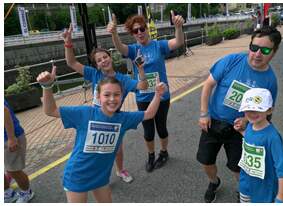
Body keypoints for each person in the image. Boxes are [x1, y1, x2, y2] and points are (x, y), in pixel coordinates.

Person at [36, 66, 166, 202]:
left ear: (122, 96)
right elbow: (50, 110)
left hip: (101, 176)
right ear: (98, 96)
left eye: (117, 94)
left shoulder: (123, 119)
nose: (112, 99)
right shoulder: (84, 113)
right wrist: (47, 87)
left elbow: (149, 114)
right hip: (77, 175)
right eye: (107, 94)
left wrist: (157, 95)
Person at [197, 26, 281, 203]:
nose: (257, 54)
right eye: (254, 47)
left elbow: (267, 111)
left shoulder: (270, 81)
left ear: (274, 52)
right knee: (206, 161)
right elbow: (207, 85)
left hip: (241, 130)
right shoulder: (231, 61)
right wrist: (204, 114)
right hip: (213, 121)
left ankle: (243, 191)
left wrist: (247, 121)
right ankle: (214, 182)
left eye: (265, 50)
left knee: (239, 167)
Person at [62, 24, 149, 183]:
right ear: (96, 65)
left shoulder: (122, 79)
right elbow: (72, 63)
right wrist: (68, 42)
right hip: (93, 119)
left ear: (110, 57)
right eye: (99, 60)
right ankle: (99, 176)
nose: (103, 61)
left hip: (114, 119)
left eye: (105, 57)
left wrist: (141, 70)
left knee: (117, 149)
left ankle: (120, 170)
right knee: (93, 150)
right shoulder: (94, 74)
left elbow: (143, 86)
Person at [107, 11, 184, 172]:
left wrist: (178, 27)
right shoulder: (134, 50)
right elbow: (120, 47)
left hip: (161, 95)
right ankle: (151, 155)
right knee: (148, 131)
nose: (140, 32)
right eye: (135, 31)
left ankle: (164, 152)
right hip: (143, 97)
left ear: (147, 29)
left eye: (142, 29)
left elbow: (178, 42)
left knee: (161, 127)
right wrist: (114, 33)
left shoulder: (158, 45)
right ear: (133, 34)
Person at [236, 88, 283, 203]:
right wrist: (242, 132)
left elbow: (282, 168)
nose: (252, 113)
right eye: (248, 109)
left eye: (257, 109)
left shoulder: (273, 137)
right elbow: (252, 140)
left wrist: (281, 195)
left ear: (269, 110)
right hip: (245, 183)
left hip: (264, 189)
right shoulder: (250, 126)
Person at [4, 100, 35, 203]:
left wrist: (11, 138)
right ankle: (8, 192)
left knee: (13, 171)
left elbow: (4, 112)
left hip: (8, 138)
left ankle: (26, 192)